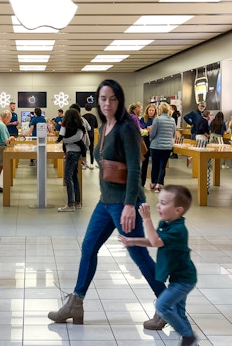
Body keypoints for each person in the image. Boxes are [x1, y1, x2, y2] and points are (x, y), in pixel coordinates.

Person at [48, 79, 167, 330]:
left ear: (120, 100)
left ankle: (168, 305)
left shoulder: (126, 128)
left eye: (112, 98)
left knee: (139, 255)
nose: (107, 103)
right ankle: (75, 303)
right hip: (106, 202)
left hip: (124, 202)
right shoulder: (103, 128)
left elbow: (135, 168)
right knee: (88, 247)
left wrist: (128, 205)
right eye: (103, 98)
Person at [118, 185, 200, 346]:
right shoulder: (170, 224)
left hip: (184, 280)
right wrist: (133, 241)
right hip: (178, 278)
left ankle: (188, 337)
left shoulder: (178, 230)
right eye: (158, 202)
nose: (158, 206)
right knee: (179, 311)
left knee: (162, 306)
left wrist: (146, 219)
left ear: (178, 210)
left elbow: (155, 241)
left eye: (163, 203)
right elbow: (155, 241)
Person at [56, 108, 85, 212]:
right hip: (77, 152)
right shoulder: (79, 125)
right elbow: (79, 137)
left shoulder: (68, 126)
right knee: (74, 176)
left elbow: (76, 138)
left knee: (68, 176)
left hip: (71, 152)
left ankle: (70, 204)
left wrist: (64, 140)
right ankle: (77, 202)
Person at [148, 102, 176, 191]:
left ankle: (153, 183)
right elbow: (174, 133)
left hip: (156, 146)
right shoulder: (172, 120)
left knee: (155, 166)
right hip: (167, 147)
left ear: (160, 110)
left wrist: (150, 139)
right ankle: (160, 184)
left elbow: (153, 133)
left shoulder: (157, 119)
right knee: (162, 166)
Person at [140, 103, 158, 187]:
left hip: (154, 141)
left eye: (153, 110)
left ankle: (154, 182)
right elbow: (141, 129)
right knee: (144, 162)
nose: (151, 112)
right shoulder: (143, 119)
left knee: (155, 163)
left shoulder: (157, 119)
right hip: (145, 141)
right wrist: (147, 129)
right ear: (147, 111)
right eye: (150, 110)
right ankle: (141, 182)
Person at [82, 103, 99, 169]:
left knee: (84, 149)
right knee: (91, 149)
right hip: (91, 134)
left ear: (85, 108)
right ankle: (92, 164)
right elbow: (96, 126)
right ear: (91, 109)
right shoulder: (94, 117)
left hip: (84, 135)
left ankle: (84, 165)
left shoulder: (83, 117)